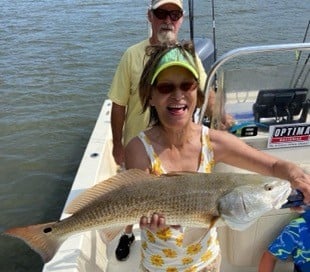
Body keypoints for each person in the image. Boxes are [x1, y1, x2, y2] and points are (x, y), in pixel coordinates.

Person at [123, 41, 310, 271]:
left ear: (198, 95)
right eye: (165, 87)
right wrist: (148, 224)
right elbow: (133, 201)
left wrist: (294, 174)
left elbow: (273, 166)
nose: (178, 95)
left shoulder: (212, 142)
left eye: (187, 85)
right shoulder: (138, 149)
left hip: (207, 263)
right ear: (150, 96)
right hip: (158, 266)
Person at [109, 0, 215, 261]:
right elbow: (119, 104)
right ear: (150, 16)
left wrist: (222, 119)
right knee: (131, 201)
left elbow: (204, 91)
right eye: (161, 13)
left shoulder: (189, 57)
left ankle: (181, 240)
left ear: (181, 18)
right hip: (139, 148)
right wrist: (117, 144)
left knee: (173, 203)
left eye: (175, 13)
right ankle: (127, 233)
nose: (168, 19)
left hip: (175, 147)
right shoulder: (131, 55)